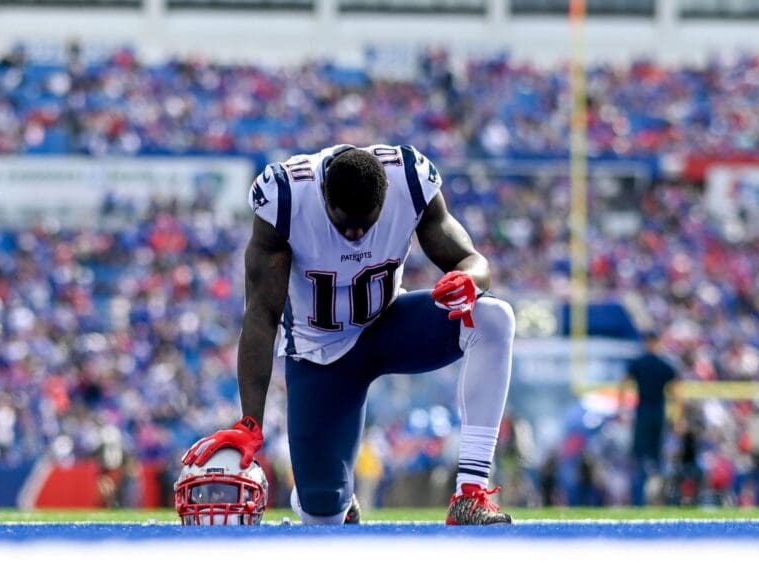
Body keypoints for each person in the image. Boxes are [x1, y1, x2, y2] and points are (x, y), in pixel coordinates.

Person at [181, 144, 515, 525]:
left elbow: (472, 260)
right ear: (323, 194)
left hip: (389, 326)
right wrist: (250, 422)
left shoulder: (408, 178)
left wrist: (468, 280)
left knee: (493, 317)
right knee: (323, 516)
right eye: (344, 223)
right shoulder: (287, 197)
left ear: (387, 197)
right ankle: (331, 486)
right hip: (320, 353)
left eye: (366, 222)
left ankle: (470, 494)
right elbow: (261, 315)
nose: (355, 233)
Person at [617, 331, 678, 506]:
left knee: (640, 458)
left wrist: (621, 409)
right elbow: (676, 394)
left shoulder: (639, 363)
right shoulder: (664, 365)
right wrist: (677, 418)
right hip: (657, 413)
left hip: (644, 413)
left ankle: (640, 499)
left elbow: (623, 384)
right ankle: (656, 498)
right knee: (655, 459)